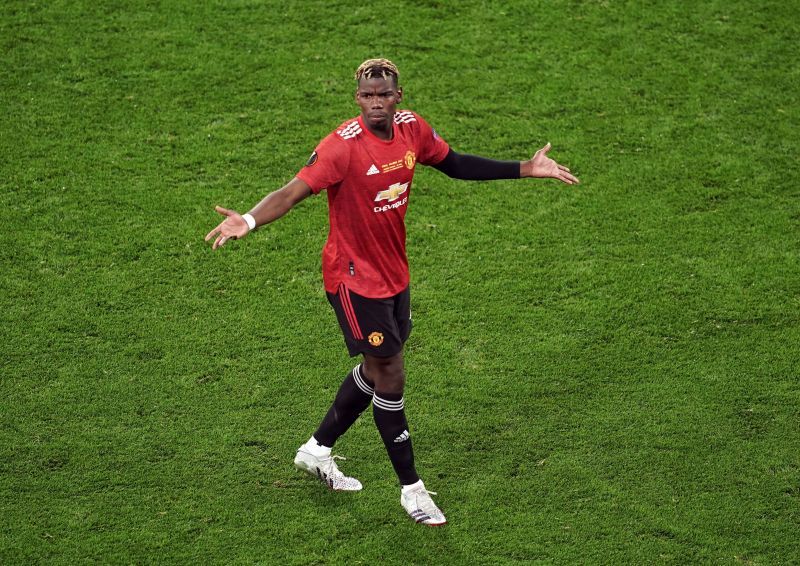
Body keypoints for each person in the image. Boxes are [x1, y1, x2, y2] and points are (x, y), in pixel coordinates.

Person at [205, 58, 579, 526]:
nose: (376, 102)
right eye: (368, 95)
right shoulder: (341, 148)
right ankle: (412, 490)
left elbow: (455, 164)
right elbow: (294, 190)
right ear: (357, 98)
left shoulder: (411, 130)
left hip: (393, 275)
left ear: (398, 96)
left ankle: (316, 450)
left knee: (376, 367)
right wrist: (251, 219)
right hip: (353, 279)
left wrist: (525, 168)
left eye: (384, 94)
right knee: (391, 373)